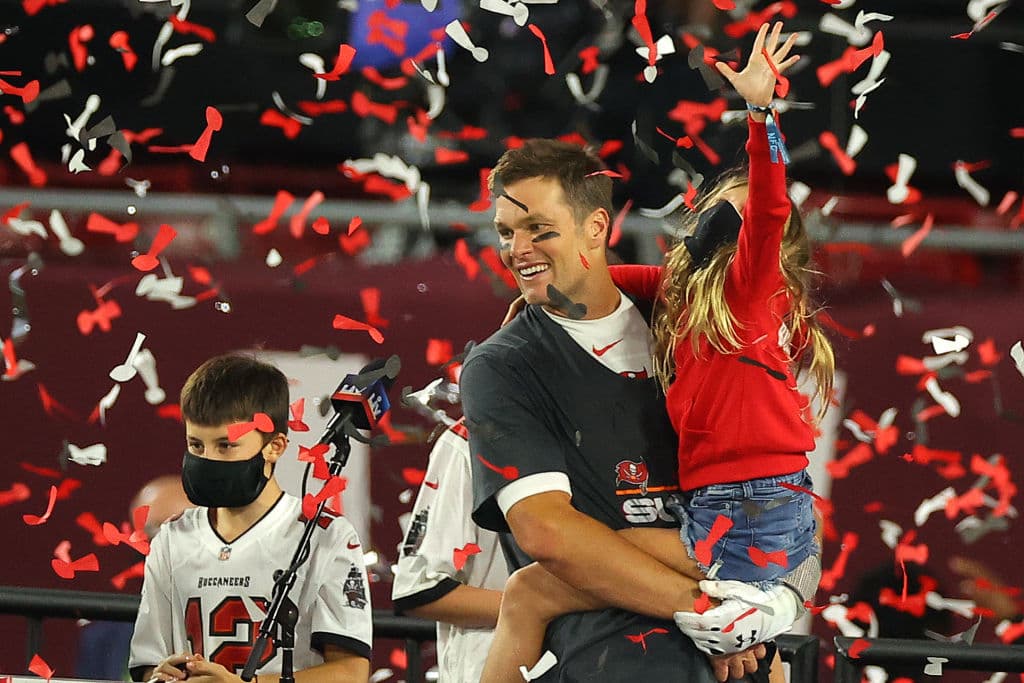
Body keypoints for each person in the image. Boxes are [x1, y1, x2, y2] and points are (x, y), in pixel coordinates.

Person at [462, 23, 820, 683]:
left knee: (540, 588)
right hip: (666, 590)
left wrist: (761, 116)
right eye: (508, 233)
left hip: (751, 511)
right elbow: (545, 532)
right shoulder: (675, 309)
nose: (518, 248)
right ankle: (751, 613)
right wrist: (544, 290)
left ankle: (752, 613)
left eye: (540, 229)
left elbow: (767, 211)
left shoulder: (745, 298)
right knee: (532, 588)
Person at [128, 354, 372, 683]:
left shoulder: (326, 535)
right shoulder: (171, 539)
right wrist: (162, 675)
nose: (207, 459)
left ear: (275, 447)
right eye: (195, 445)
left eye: (225, 446)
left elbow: (351, 673)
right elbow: (147, 663)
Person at [392, 417, 508, 682]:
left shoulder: (609, 433)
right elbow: (419, 589)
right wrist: (537, 606)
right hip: (487, 667)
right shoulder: (468, 440)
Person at [76, 476, 194, 681]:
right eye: (151, 531)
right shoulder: (102, 638)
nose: (162, 543)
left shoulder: (246, 624)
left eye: (180, 528)